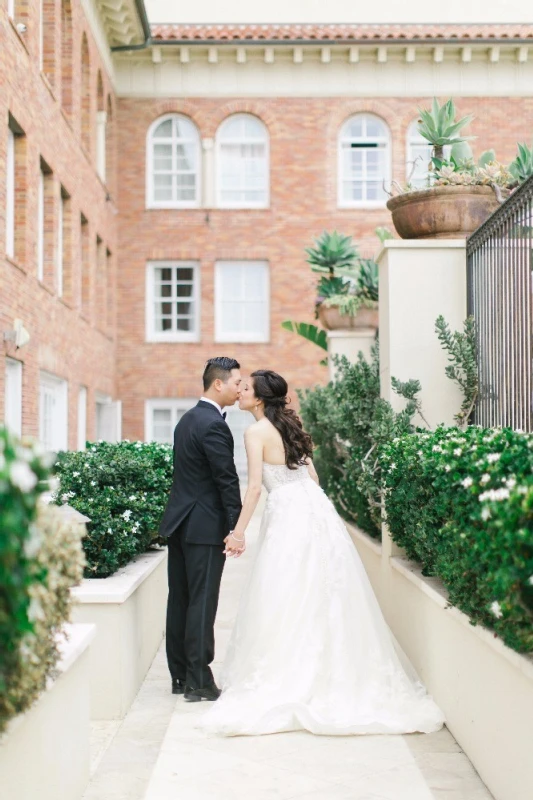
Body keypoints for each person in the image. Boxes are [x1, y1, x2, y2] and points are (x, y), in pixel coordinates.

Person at [201, 369, 445, 736]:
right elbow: (312, 479)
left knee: (284, 591)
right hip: (314, 509)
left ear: (261, 399)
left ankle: (292, 673)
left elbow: (253, 490)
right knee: (324, 588)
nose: (240, 393)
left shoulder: (255, 432)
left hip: (286, 513)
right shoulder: (291, 428)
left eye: (246, 388)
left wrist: (237, 533)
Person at [158, 357, 242, 702]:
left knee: (180, 599)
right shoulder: (213, 425)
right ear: (218, 384)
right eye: (237, 382)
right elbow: (226, 480)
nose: (240, 389)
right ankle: (199, 680)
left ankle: (179, 676)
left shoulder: (187, 419)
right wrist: (235, 527)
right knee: (202, 602)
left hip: (179, 523)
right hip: (204, 526)